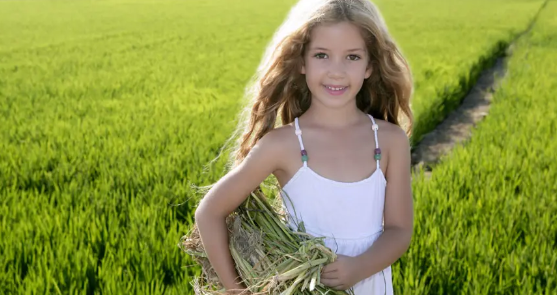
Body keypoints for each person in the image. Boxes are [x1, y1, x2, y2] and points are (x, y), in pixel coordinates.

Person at [194, 0, 414, 294]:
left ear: (369, 66)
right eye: (322, 55)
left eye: (352, 57)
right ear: (302, 61)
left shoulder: (389, 141)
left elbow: (399, 231)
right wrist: (237, 291)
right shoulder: (282, 145)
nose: (336, 71)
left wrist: (358, 267)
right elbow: (209, 212)